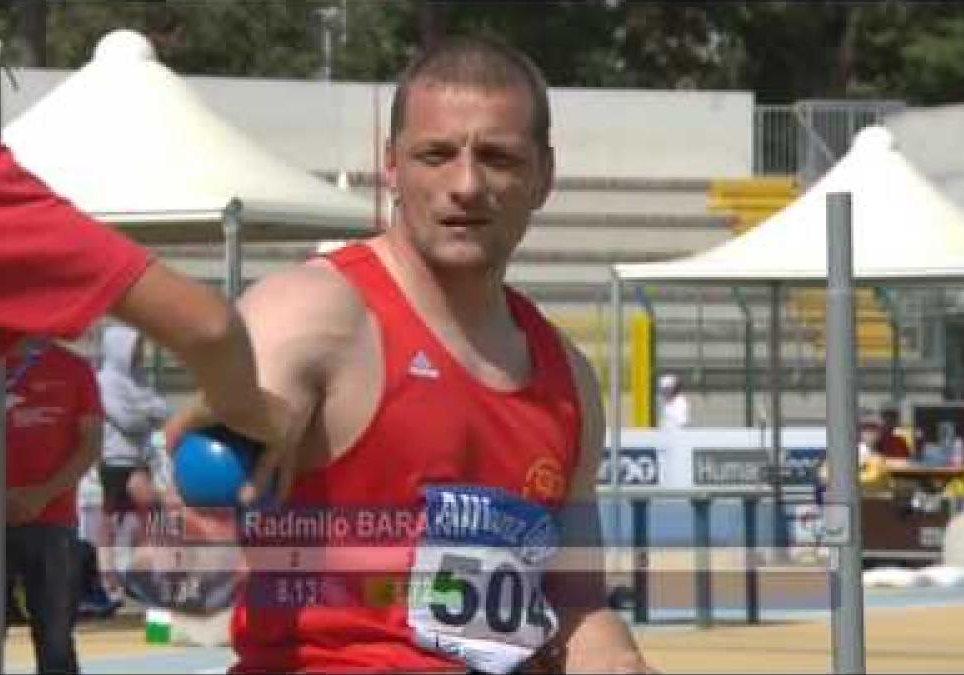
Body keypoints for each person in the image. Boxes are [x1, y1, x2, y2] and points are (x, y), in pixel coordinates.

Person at [165, 36, 650, 673]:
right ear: (392, 165)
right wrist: (240, 424)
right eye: (437, 155)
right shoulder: (314, 315)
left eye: (499, 158)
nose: (468, 185)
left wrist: (616, 657)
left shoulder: (567, 379)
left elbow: (577, 604)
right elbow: (233, 432)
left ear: (544, 175)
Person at [0, 95, 284, 671]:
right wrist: (253, 414)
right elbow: (208, 327)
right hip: (5, 513)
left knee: (49, 637)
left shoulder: (70, 372)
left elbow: (77, 436)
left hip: (50, 507)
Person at [0, 338, 103, 673]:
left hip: (53, 519)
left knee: (56, 638)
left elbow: (90, 445)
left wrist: (43, 494)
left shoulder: (74, 368)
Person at [93, 324, 173, 599]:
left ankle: (138, 573)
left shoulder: (139, 380)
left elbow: (164, 410)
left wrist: (144, 412)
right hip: (115, 457)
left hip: (138, 457)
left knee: (145, 515)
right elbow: (128, 420)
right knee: (116, 517)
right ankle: (108, 575)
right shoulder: (105, 381)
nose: (140, 353)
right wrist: (145, 412)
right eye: (136, 346)